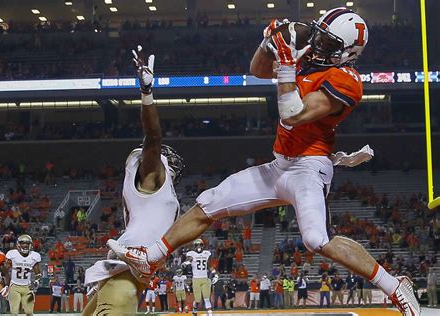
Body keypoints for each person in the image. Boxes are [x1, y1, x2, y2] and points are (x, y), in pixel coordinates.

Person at [108, 8, 420, 316]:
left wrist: (285, 65)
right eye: (320, 38)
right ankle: (149, 257)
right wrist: (270, 43)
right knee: (209, 202)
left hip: (309, 168)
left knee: (316, 239)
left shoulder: (347, 79)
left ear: (347, 53)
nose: (319, 46)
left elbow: (293, 114)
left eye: (328, 43)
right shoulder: (310, 60)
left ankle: (395, 285)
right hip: (279, 166)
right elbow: (257, 69)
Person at [82, 45, 184, 316]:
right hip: (124, 279)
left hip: (125, 276)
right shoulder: (151, 177)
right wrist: (147, 93)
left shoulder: (148, 188)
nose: (169, 161)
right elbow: (153, 137)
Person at [5, 234, 42, 316]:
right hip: (14, 286)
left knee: (29, 313)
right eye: (22, 243)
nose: (25, 245)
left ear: (30, 245)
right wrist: (5, 284)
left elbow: (38, 273)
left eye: (27, 243)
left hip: (27, 288)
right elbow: (5, 270)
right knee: (14, 313)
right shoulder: (13, 254)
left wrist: (36, 281)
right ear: (18, 244)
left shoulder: (34, 256)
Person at [182, 239, 213, 315]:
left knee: (206, 298)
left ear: (202, 245)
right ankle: (195, 309)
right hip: (196, 279)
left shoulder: (206, 253)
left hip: (205, 278)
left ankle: (210, 313)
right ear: (195, 246)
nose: (199, 247)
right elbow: (189, 259)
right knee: (197, 300)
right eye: (197, 245)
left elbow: (208, 265)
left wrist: (214, 272)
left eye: (200, 245)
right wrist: (186, 263)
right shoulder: (192, 254)